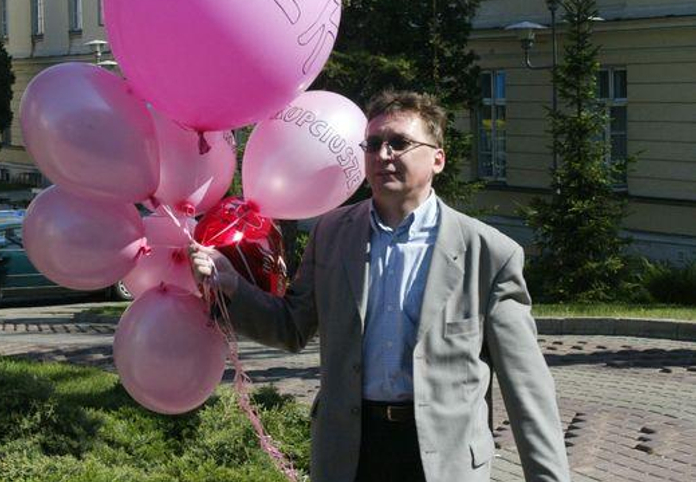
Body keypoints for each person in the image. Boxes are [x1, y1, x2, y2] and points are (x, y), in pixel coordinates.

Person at [189, 90, 570, 482]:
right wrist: (232, 285)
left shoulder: (489, 253)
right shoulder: (333, 233)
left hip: (445, 461)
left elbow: (527, 389)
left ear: (438, 158)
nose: (383, 154)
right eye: (373, 144)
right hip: (352, 452)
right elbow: (291, 327)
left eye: (399, 143)